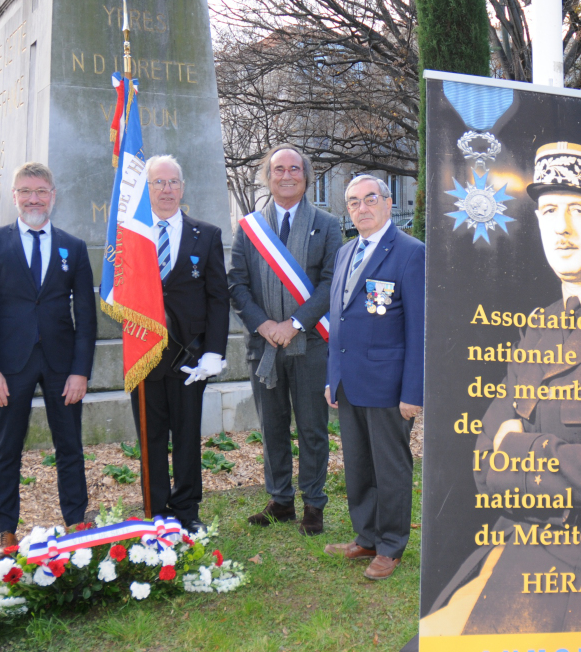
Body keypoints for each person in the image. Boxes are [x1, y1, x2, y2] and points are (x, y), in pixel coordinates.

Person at [421, 141, 581, 634]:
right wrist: (577, 449)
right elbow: (483, 468)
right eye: (548, 211)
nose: (560, 228)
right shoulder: (538, 326)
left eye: (579, 211)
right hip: (526, 545)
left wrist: (515, 445)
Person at [0, 162, 96, 556]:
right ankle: (6, 530)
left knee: (70, 446)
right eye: (26, 191)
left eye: (41, 190)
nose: (34, 198)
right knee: (7, 450)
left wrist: (80, 371)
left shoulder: (72, 247)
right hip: (9, 367)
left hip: (61, 366)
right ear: (15, 197)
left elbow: (87, 317)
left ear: (53, 196)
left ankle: (76, 521)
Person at [228, 144, 343, 535]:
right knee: (273, 427)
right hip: (264, 346)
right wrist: (265, 326)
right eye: (279, 169)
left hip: (310, 344)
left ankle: (313, 504)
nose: (287, 175)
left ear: (306, 177)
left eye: (295, 169)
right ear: (268, 176)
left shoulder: (327, 225)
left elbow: (332, 284)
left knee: (312, 428)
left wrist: (293, 323)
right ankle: (280, 500)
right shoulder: (249, 228)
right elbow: (237, 284)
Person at [322, 176, 424, 581]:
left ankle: (391, 544)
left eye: (369, 199)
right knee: (359, 465)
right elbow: (340, 321)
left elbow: (418, 329)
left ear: (386, 203)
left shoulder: (410, 253)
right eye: (352, 202)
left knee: (391, 468)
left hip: (389, 386)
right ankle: (366, 536)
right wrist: (334, 377)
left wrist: (413, 391)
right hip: (351, 383)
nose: (361, 208)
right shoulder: (346, 251)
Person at [129, 155, 229, 533]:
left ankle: (187, 511)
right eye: (158, 183)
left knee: (186, 437)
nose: (167, 190)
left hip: (190, 359)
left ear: (183, 188)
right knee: (151, 438)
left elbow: (218, 297)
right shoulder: (132, 238)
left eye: (173, 182)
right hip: (144, 355)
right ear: (147, 189)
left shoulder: (208, 235)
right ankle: (155, 513)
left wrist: (214, 352)